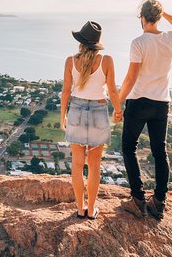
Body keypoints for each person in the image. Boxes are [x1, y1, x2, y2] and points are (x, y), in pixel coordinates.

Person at [119, 0, 172, 220]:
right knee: (160, 152)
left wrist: (118, 102)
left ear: (142, 18)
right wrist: (165, 14)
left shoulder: (138, 42)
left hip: (139, 101)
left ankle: (138, 199)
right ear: (157, 17)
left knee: (129, 148)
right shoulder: (170, 38)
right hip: (161, 104)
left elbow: (131, 77)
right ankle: (159, 202)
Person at [60, 21, 122, 220]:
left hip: (77, 110)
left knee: (77, 164)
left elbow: (66, 92)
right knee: (94, 165)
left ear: (81, 42)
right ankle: (91, 208)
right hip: (98, 110)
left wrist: (63, 115)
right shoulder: (106, 61)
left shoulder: (71, 61)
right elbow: (112, 90)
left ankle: (80, 208)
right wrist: (119, 110)